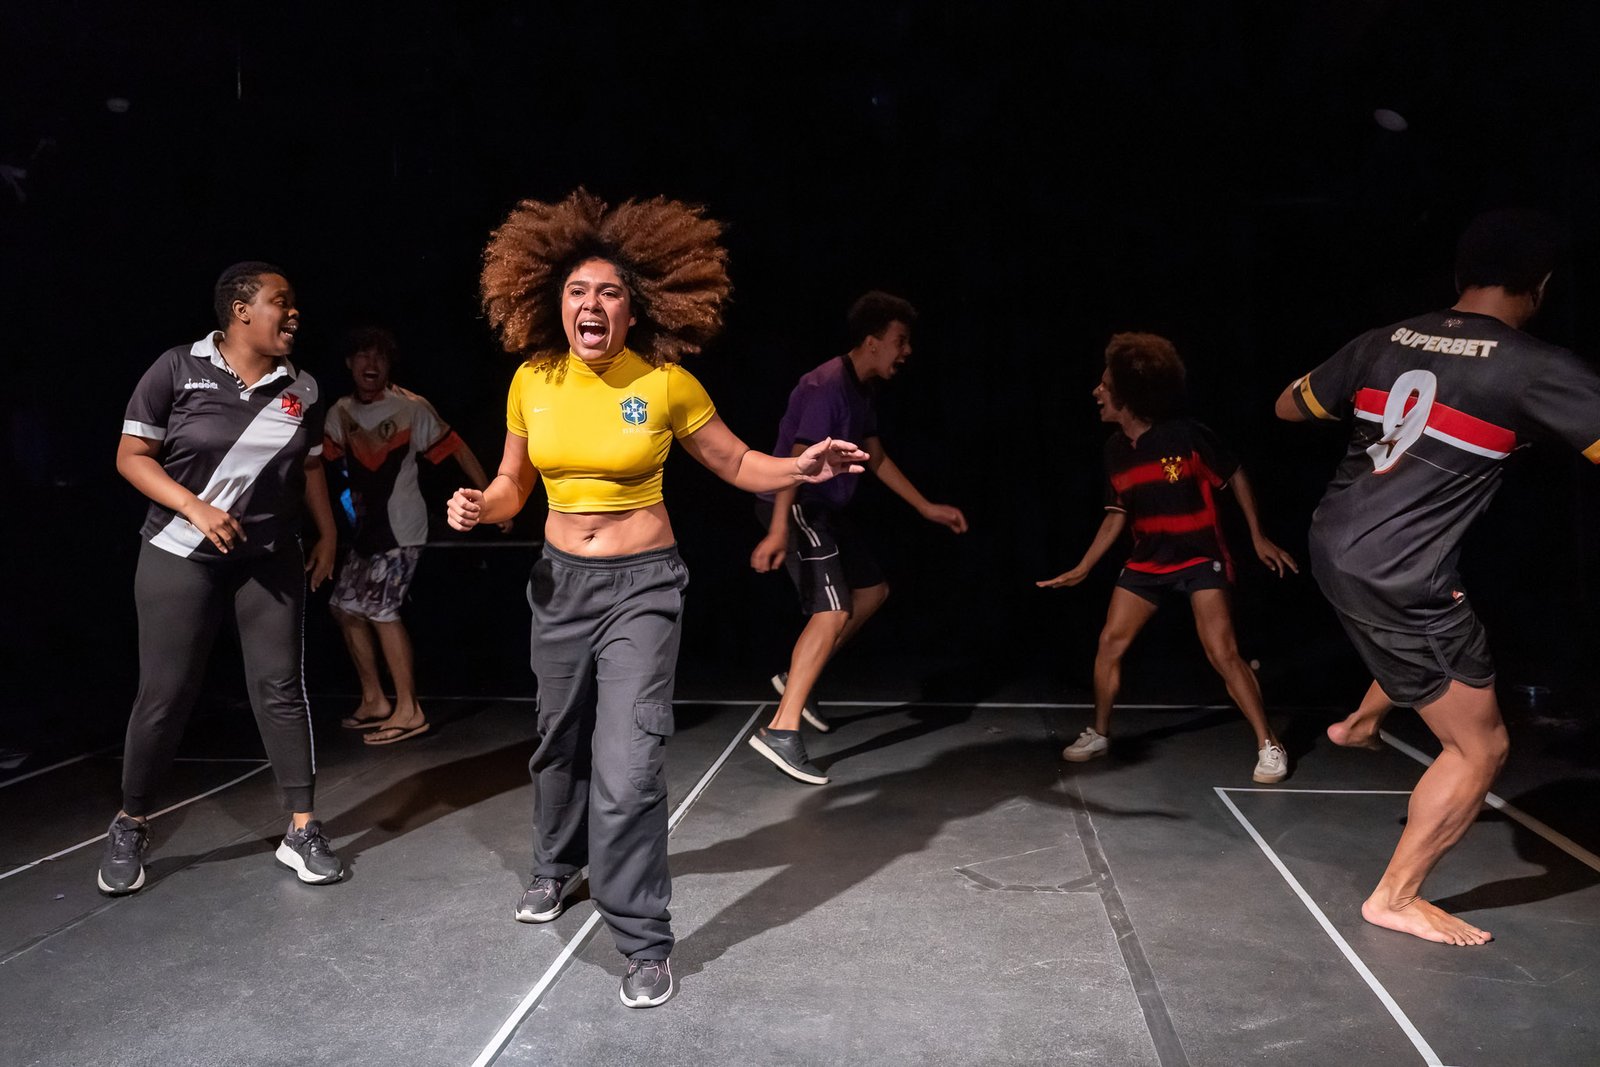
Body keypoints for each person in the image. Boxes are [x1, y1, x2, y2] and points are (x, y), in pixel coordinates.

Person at [447, 189, 867, 1008]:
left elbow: (739, 461)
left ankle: (642, 936)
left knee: (631, 762)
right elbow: (510, 484)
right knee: (555, 738)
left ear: (634, 309)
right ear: (553, 302)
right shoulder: (531, 379)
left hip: (643, 586)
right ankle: (556, 863)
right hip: (559, 584)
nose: (591, 303)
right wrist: (479, 506)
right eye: (577, 291)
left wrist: (801, 467)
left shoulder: (667, 382)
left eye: (608, 292)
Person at [1276, 207, 1600, 946]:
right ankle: (1395, 895)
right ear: (1539, 286)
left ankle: (1359, 720)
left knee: (1434, 642)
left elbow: (1288, 407)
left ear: (1460, 275)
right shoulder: (1535, 366)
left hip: (1334, 543)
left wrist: (1353, 391)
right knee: (1479, 747)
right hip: (1399, 573)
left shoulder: (1381, 340)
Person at [99, 261, 343, 896]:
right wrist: (196, 508)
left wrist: (329, 533)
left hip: (268, 557)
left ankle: (301, 829)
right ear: (240, 311)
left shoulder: (305, 389)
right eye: (279, 302)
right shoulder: (178, 369)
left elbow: (311, 468)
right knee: (166, 693)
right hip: (180, 552)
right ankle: (130, 822)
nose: (294, 314)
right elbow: (131, 456)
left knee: (281, 689)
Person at [1038, 332, 1297, 783]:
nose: (1096, 392)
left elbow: (1235, 474)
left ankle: (1268, 743)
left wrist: (1256, 536)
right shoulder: (1115, 450)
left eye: (1103, 386)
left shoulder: (1187, 436)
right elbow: (1115, 514)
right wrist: (1083, 567)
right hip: (1147, 561)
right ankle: (1100, 732)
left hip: (1199, 557)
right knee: (1109, 643)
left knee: (1222, 652)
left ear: (1127, 394)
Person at [747, 291, 967, 784]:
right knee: (832, 610)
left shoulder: (864, 387)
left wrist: (925, 506)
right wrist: (780, 526)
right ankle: (780, 730)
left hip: (824, 508)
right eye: (899, 341)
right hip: (797, 502)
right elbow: (798, 463)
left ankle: (795, 679)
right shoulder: (826, 386)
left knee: (872, 592)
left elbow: (875, 455)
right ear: (871, 342)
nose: (906, 351)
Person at [322, 325, 505, 745]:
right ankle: (375, 699)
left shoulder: (410, 408)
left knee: (383, 611)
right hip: (365, 531)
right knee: (345, 607)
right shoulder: (340, 412)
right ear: (350, 364)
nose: (372, 364)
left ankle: (409, 709)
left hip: (402, 530)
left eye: (380, 357)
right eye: (363, 357)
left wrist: (490, 500)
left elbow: (455, 446)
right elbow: (319, 464)